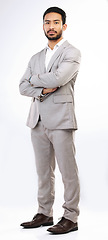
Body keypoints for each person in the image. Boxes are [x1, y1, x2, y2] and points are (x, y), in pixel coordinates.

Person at [19, 6, 81, 234]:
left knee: (68, 171)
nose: (51, 26)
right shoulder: (35, 57)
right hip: (37, 120)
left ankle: (71, 217)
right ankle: (45, 213)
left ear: (63, 26)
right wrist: (42, 89)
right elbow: (22, 86)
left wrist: (34, 81)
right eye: (47, 22)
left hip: (62, 120)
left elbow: (60, 77)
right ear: (43, 25)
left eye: (56, 22)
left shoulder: (72, 53)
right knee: (43, 171)